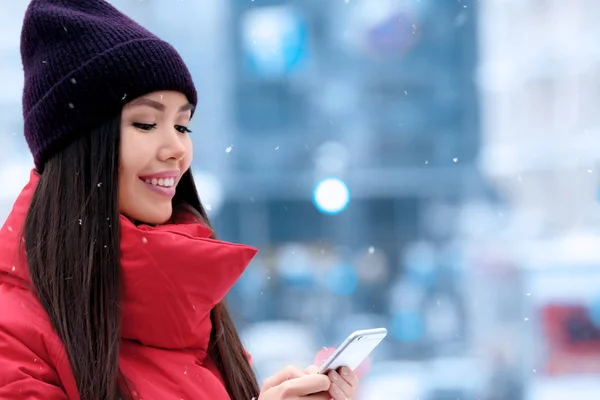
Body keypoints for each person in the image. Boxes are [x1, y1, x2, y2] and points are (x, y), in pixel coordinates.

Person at [0, 1, 359, 399]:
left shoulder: (190, 309)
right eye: (146, 123)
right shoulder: (12, 331)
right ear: (77, 145)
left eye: (183, 126)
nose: (177, 149)